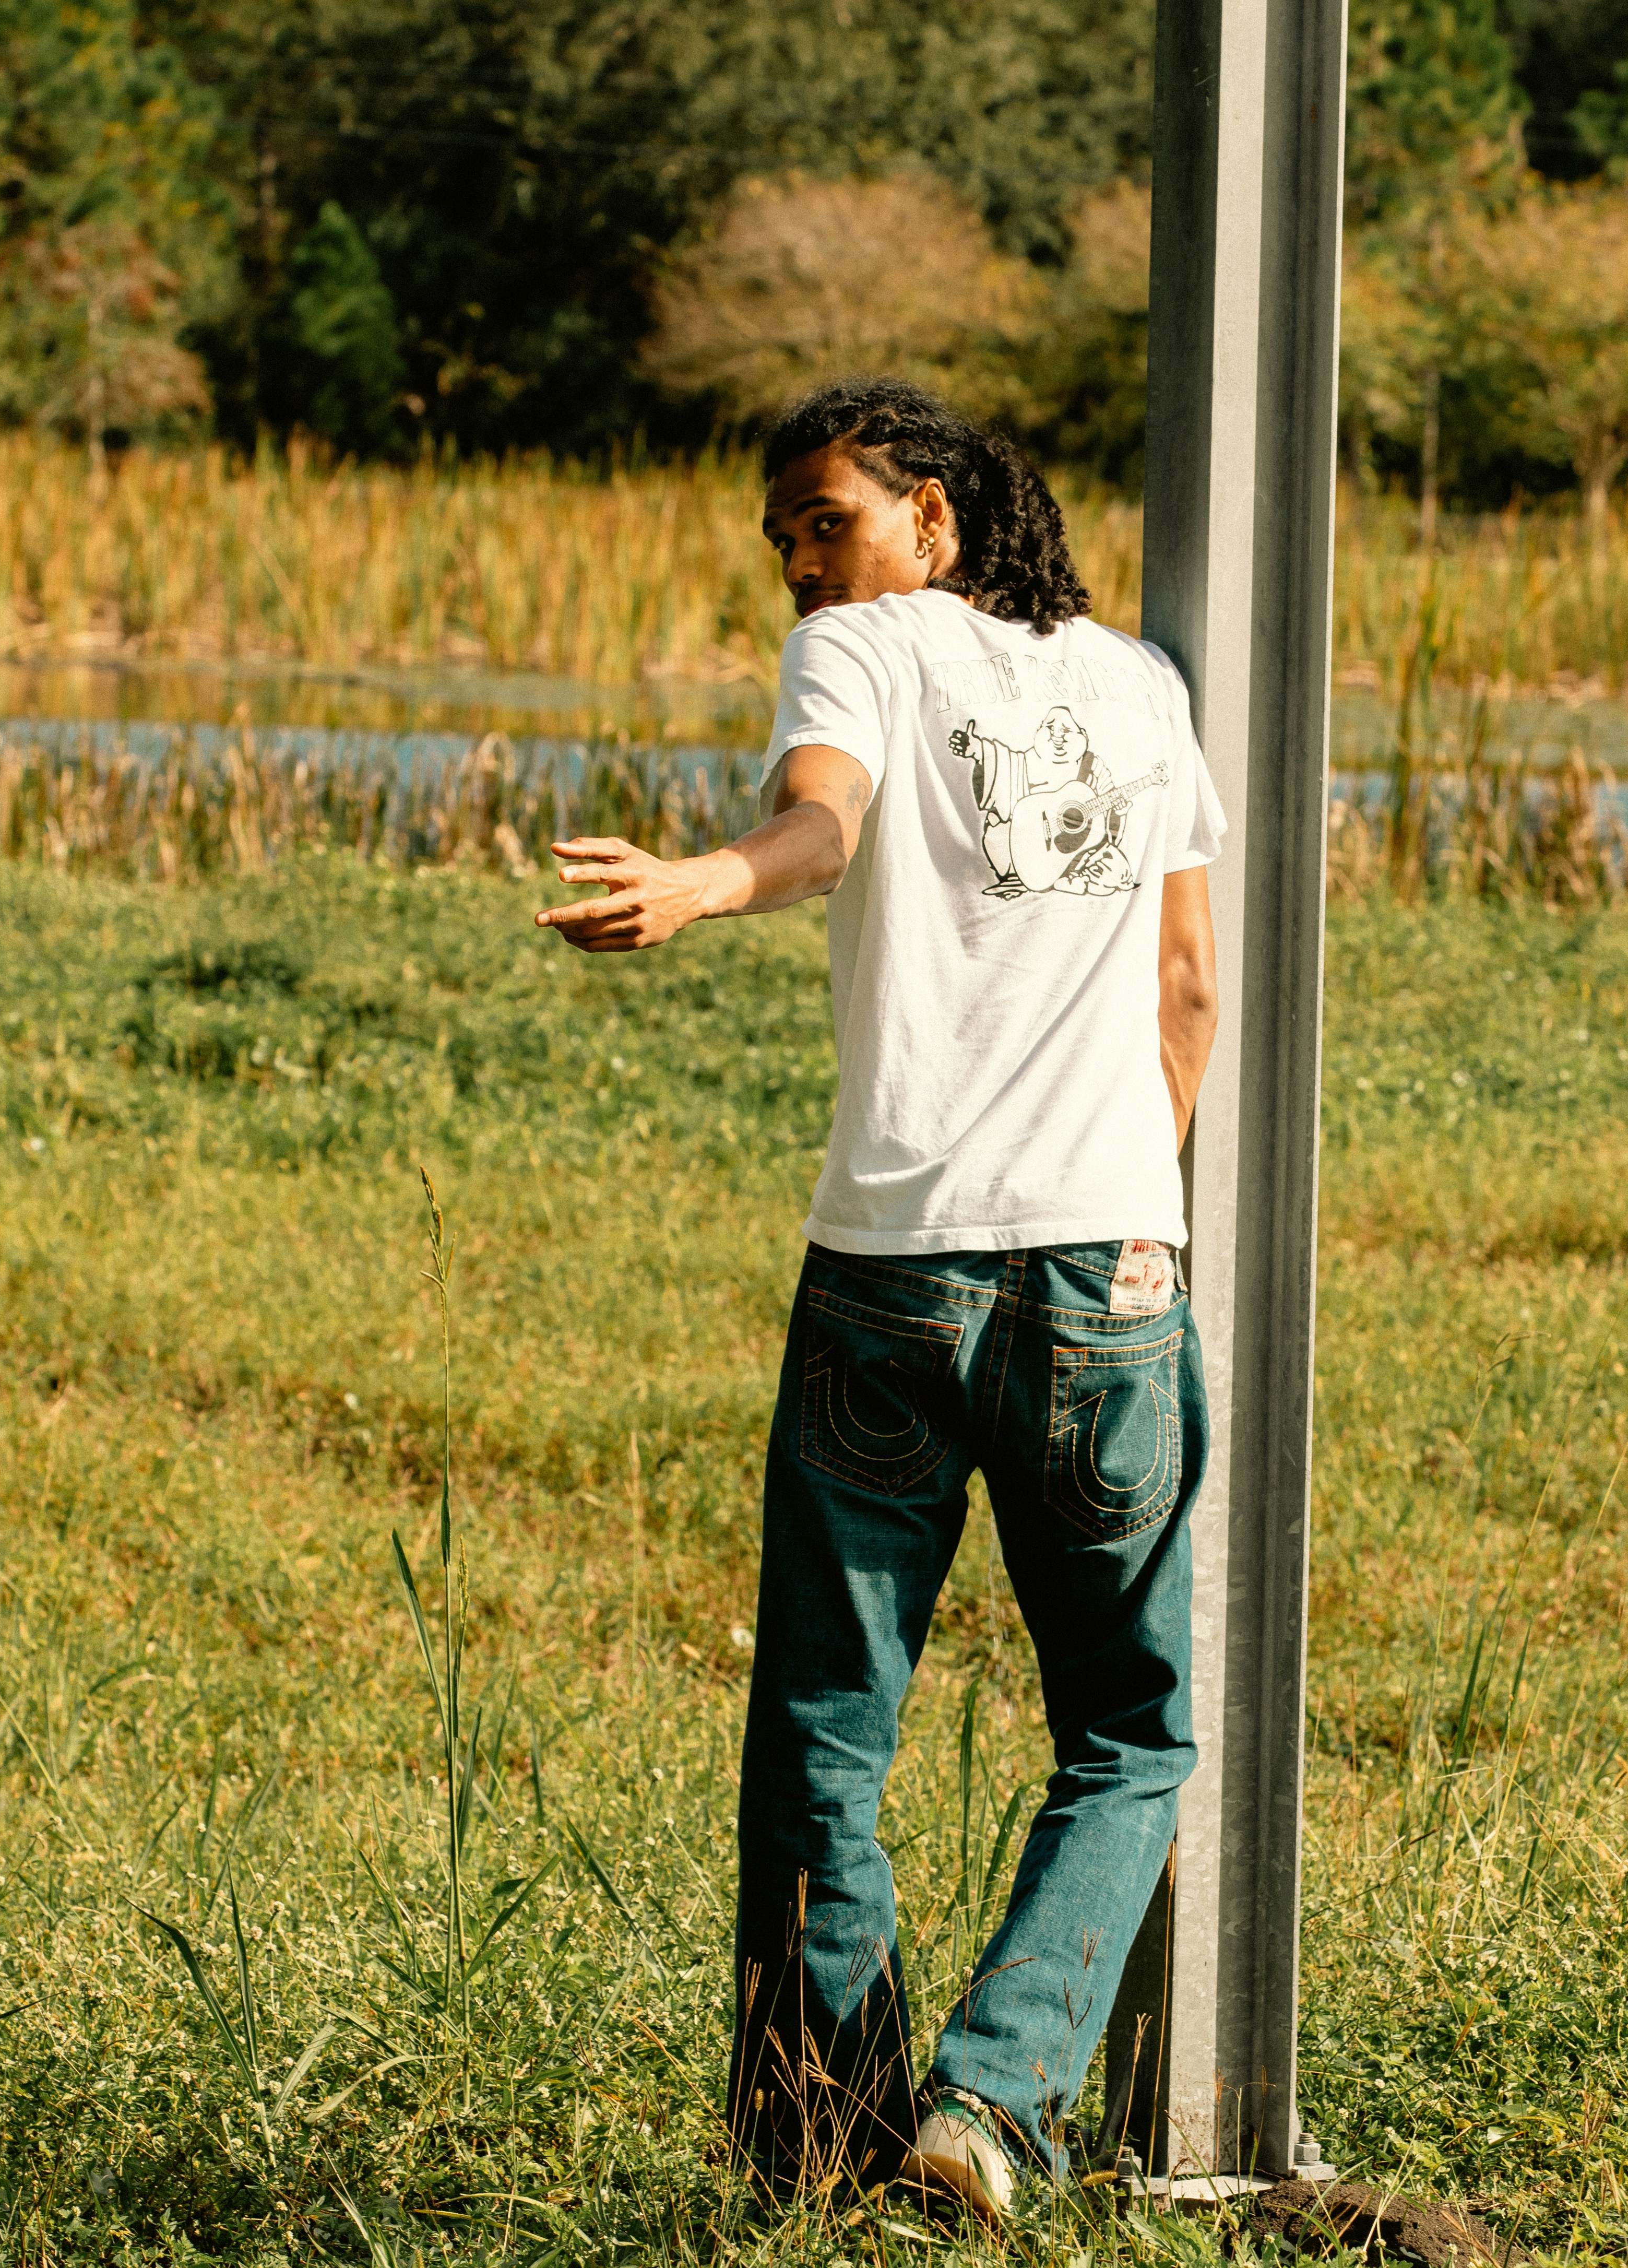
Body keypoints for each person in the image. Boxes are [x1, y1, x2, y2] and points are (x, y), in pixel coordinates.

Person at [532, 377, 1223, 2219]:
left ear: (938, 511)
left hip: (889, 1280)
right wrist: (1117, 1205)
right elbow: (1185, 994)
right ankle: (985, 2114)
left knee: (828, 1732)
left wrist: (700, 883)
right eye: (779, 543)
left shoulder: (867, 656)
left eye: (824, 520)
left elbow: (820, 829)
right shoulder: (1142, 688)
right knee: (1132, 1732)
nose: (800, 567)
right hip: (1109, 1274)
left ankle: (827, 2156)